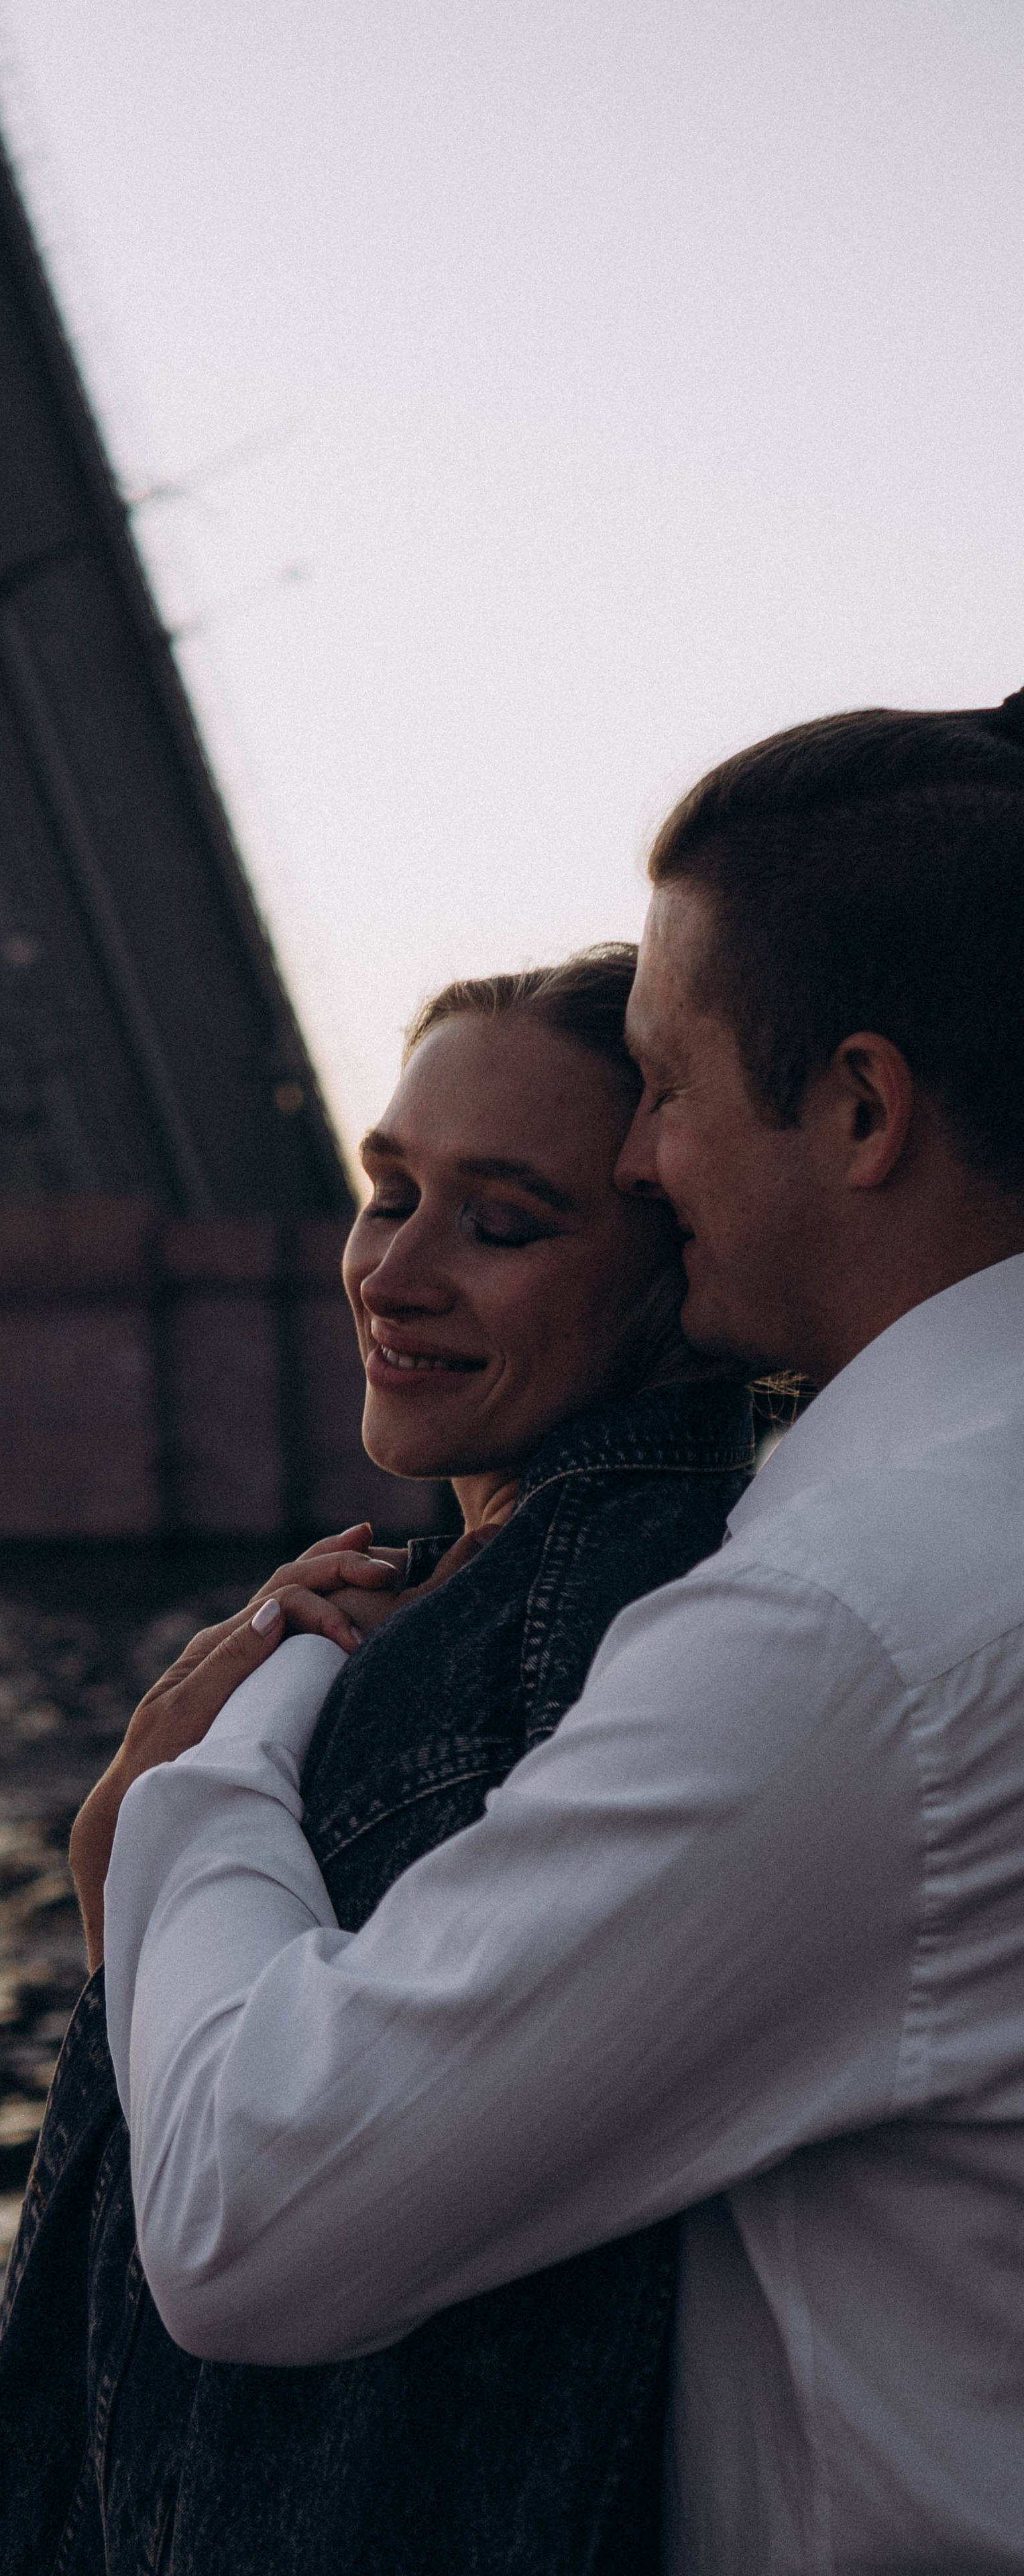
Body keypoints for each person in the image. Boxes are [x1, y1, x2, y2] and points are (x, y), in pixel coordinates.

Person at [102, 694, 1024, 2573]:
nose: (654, 1164)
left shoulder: (837, 1625)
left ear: (862, 1107)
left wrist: (188, 1799)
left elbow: (246, 2217)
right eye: (386, 1190)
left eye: (667, 1088)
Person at [0, 947, 755, 2575]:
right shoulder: (618, 1590)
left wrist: (157, 1827)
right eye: (388, 1196)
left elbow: (210, 2279)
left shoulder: (454, 1670)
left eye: (501, 1223)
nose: (396, 1273)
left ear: (677, 1268)